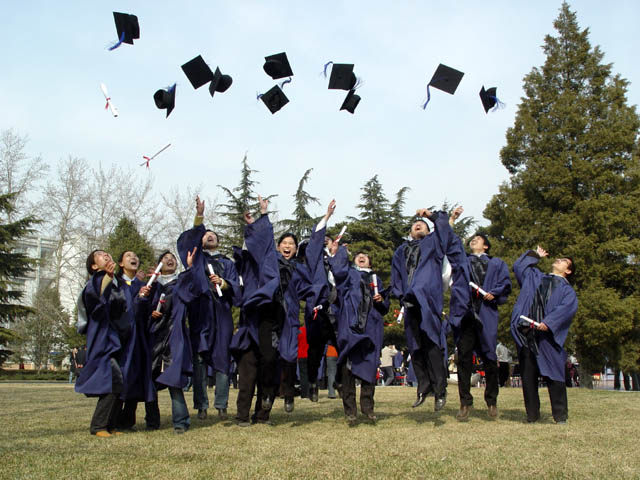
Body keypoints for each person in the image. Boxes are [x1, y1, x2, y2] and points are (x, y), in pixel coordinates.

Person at [231, 196, 316, 425]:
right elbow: (261, 246)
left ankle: (264, 412)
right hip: (261, 318)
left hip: (284, 320)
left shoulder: (298, 269)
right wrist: (259, 220)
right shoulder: (269, 263)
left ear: (296, 249)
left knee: (274, 365)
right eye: (284, 243)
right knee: (252, 369)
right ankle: (242, 415)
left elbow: (308, 288)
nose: (288, 246)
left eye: (292, 244)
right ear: (278, 247)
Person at [391, 207, 470, 412]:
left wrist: (429, 216)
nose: (417, 224)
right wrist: (399, 295)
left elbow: (443, 226)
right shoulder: (401, 250)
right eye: (414, 224)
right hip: (409, 301)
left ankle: (440, 391)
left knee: (432, 343)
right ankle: (423, 387)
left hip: (428, 299)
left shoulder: (434, 243)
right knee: (414, 345)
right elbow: (396, 275)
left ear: (429, 231)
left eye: (422, 224)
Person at [177, 196, 240, 420]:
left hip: (221, 314)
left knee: (223, 359)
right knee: (200, 359)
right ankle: (201, 405)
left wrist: (223, 283)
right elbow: (189, 241)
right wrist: (199, 217)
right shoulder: (195, 259)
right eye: (206, 234)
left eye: (213, 235)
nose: (210, 236)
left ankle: (221, 404)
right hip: (201, 313)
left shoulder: (227, 263)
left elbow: (237, 288)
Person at [449, 211, 512, 421]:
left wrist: (495, 293)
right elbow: (451, 245)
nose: (473, 240)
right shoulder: (463, 261)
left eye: (478, 239)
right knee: (463, 359)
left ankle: (492, 401)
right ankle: (465, 403)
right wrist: (452, 221)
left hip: (486, 313)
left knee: (490, 359)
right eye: (472, 239)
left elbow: (505, 283)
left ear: (486, 246)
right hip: (466, 314)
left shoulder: (497, 263)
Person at [511, 246, 578, 424]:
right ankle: (532, 415)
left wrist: (548, 323)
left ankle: (560, 416)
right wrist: (534, 255)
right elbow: (518, 267)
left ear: (568, 271)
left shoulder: (567, 291)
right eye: (559, 258)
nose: (558, 260)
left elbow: (566, 309)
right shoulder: (536, 277)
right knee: (528, 377)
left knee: (554, 376)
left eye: (564, 261)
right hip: (527, 333)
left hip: (548, 338)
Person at [328, 246, 389, 424]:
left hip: (371, 326)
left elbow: (384, 308)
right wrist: (339, 252)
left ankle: (368, 408)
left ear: (370, 262)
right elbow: (337, 277)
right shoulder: (349, 275)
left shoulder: (376, 279)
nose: (361, 257)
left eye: (365, 256)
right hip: (351, 326)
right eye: (358, 255)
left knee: (370, 367)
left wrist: (381, 300)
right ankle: (350, 411)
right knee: (348, 368)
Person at [138, 250, 195, 434]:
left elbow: (190, 296)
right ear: (159, 265)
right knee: (150, 380)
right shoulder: (152, 285)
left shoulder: (180, 283)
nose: (170, 260)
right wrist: (151, 312)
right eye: (165, 258)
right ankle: (152, 421)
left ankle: (181, 422)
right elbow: (140, 309)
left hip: (174, 334)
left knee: (174, 379)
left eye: (172, 258)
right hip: (154, 336)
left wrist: (190, 268)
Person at [75, 250, 129, 437]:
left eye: (107, 253)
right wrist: (107, 277)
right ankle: (98, 426)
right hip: (102, 338)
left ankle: (111, 425)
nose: (105, 255)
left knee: (118, 383)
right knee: (112, 380)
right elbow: (96, 301)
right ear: (93, 265)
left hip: (115, 339)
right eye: (99, 255)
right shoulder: (95, 281)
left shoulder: (115, 283)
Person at [114, 250, 156, 432]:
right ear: (120, 263)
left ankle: (127, 421)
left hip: (139, 339)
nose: (134, 258)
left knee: (135, 377)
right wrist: (138, 299)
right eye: (128, 256)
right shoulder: (115, 284)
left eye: (135, 256)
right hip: (121, 339)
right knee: (120, 377)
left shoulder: (143, 285)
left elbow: (146, 313)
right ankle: (112, 419)